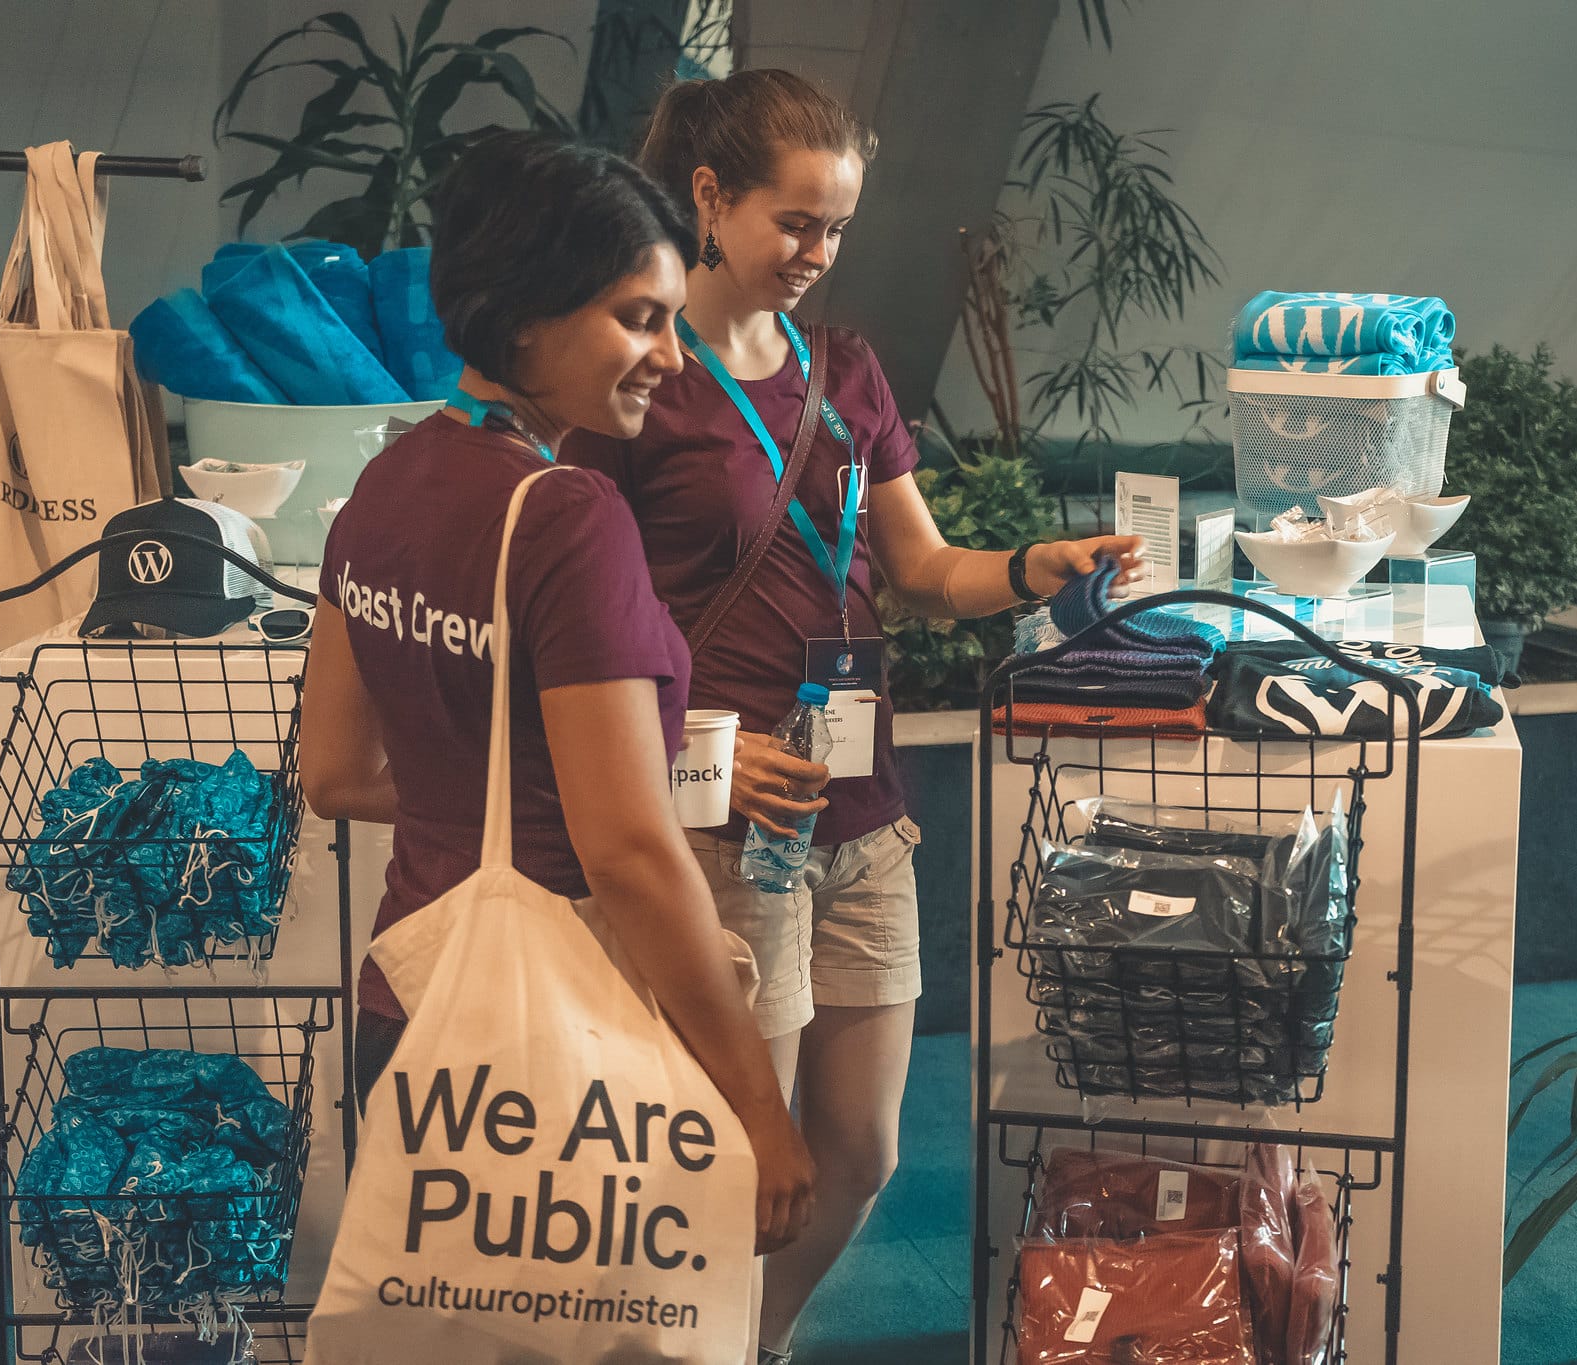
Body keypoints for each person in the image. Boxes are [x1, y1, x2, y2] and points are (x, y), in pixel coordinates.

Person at [565, 69, 1145, 1361]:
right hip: (718, 827)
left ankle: (741, 1343)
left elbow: (927, 571)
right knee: (730, 1159)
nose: (818, 256)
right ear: (709, 197)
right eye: (795, 223)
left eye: (836, 230)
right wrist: (694, 753)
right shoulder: (639, 382)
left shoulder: (850, 369)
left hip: (863, 815)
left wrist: (1030, 570)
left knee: (862, 1152)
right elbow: (581, 635)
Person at [297, 131, 815, 1264]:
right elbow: (626, 849)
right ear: (521, 313)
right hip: (556, 1041)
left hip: (414, 1008)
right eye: (639, 317)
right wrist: (762, 1108)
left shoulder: (383, 486)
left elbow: (334, 776)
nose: (671, 358)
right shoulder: (566, 517)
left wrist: (500, 797)